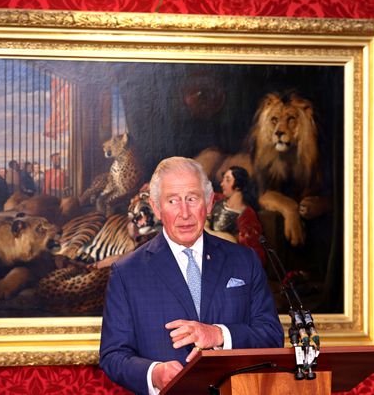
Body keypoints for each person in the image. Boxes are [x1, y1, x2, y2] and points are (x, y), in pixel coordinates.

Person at [99, 157, 284, 395]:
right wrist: (154, 373)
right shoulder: (127, 273)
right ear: (156, 208)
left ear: (208, 203)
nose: (184, 213)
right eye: (173, 200)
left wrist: (218, 334)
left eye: (192, 198)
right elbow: (113, 355)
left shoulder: (244, 261)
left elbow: (271, 336)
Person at [210, 166, 266, 265]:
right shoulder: (217, 200)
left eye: (227, 180)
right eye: (223, 180)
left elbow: (253, 254)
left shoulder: (247, 215)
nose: (222, 184)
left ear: (238, 186)